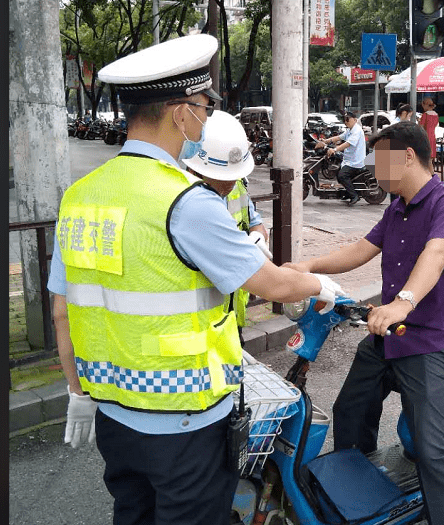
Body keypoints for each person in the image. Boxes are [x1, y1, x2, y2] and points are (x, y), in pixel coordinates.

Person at [48, 34, 344, 525]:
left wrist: (77, 394)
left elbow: (62, 310)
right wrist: (321, 287)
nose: (206, 120)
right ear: (180, 112)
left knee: (134, 516)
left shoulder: (81, 195)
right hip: (184, 421)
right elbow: (270, 284)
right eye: (205, 108)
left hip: (114, 417)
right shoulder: (185, 202)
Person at [285, 121, 444, 525]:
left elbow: (437, 253)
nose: (375, 171)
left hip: (436, 341)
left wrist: (403, 302)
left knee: (431, 447)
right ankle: (359, 499)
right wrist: (308, 266)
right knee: (350, 410)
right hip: (389, 334)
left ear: (407, 157)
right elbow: (362, 249)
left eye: (382, 161)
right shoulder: (396, 208)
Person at [182, 109, 272, 332]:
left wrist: (258, 238)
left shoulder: (238, 186)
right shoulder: (181, 201)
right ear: (194, 168)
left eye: (235, 176)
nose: (230, 184)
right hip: (196, 324)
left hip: (231, 316)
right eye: (223, 178)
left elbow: (256, 224)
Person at [318, 111, 367, 206]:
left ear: (355, 120)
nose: (346, 121)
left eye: (348, 119)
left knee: (342, 176)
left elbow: (347, 143)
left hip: (356, 162)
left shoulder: (357, 131)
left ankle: (354, 196)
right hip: (349, 160)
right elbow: (339, 137)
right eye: (345, 120)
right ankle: (348, 192)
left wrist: (335, 149)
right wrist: (326, 141)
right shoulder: (350, 130)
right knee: (337, 172)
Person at [418, 97, 439, 161]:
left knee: (425, 157)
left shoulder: (425, 115)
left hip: (425, 136)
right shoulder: (436, 115)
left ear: (425, 105)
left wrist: (419, 121)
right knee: (431, 156)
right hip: (433, 136)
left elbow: (421, 127)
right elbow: (436, 125)